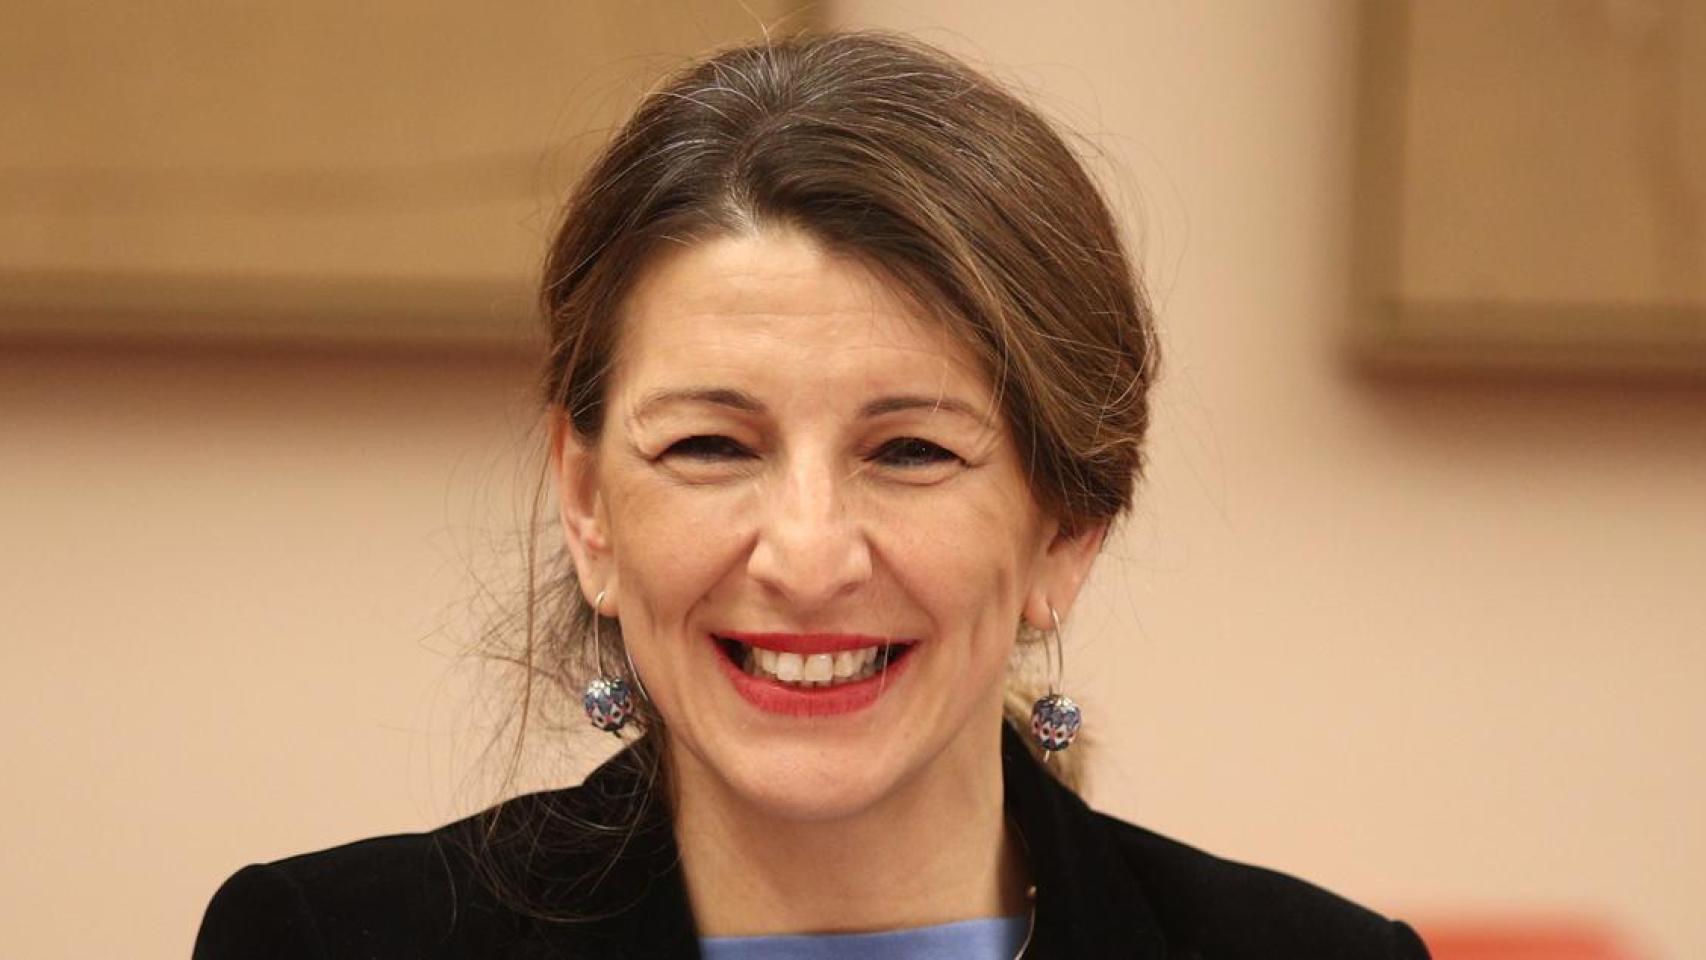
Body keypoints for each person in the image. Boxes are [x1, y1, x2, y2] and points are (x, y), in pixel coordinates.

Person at [194, 31, 1429, 959]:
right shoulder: (324, 943)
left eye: (909, 453)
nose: (804, 555)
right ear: (586, 505)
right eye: (710, 447)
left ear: (1066, 528)